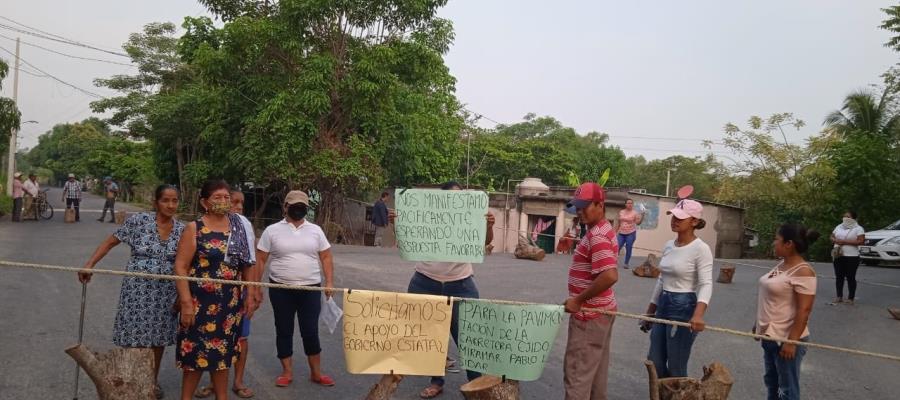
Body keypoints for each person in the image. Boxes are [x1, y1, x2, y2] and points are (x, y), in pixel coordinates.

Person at [388, 181, 495, 399]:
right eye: (451, 197)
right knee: (430, 337)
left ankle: (477, 385)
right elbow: (407, 240)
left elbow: (485, 242)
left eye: (459, 196)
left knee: (469, 338)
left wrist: (490, 225)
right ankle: (436, 381)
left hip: (461, 283)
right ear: (442, 200)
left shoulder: (470, 217)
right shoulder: (428, 216)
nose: (456, 200)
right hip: (424, 281)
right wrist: (397, 223)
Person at [78, 184, 185, 399]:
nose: (170, 205)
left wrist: (184, 296)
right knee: (134, 336)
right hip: (137, 289)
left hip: (166, 291)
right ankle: (132, 382)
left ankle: (150, 384)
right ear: (155, 202)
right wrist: (90, 264)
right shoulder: (139, 221)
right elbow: (110, 242)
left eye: (174, 200)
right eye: (165, 200)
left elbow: (187, 263)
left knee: (158, 338)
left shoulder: (183, 229)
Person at [174, 179, 257, 400]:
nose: (224, 201)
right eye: (217, 197)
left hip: (229, 305)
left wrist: (249, 295)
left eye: (226, 197)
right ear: (204, 202)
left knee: (222, 356)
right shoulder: (195, 228)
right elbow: (180, 266)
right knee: (194, 357)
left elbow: (247, 264)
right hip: (199, 304)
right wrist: (185, 302)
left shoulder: (238, 227)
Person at [256, 190, 336, 389]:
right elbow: (260, 260)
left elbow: (326, 256)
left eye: (303, 207)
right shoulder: (272, 231)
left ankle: (316, 373)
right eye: (294, 206)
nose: (299, 209)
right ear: (285, 207)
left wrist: (329, 282)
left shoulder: (316, 230)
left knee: (310, 331)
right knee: (284, 329)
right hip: (280, 289)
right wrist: (255, 287)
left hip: (310, 289)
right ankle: (287, 371)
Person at [640, 199, 713, 378]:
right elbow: (661, 279)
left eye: (681, 217)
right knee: (654, 360)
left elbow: (706, 283)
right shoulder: (669, 245)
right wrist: (650, 311)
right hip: (663, 304)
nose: (675, 220)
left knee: (676, 364)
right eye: (674, 216)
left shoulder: (701, 249)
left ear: (694, 221)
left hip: (684, 306)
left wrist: (698, 315)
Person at [562, 182, 619, 400]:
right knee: (595, 374)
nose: (580, 210)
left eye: (585, 206)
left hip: (589, 315)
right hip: (603, 311)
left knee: (577, 376)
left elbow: (610, 275)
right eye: (577, 206)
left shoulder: (596, 236)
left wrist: (578, 300)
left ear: (600, 204)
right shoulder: (604, 229)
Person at [755, 224, 819, 400]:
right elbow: (772, 299)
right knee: (772, 383)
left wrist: (792, 342)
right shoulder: (782, 264)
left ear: (789, 243)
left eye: (777, 239)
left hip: (786, 340)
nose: (773, 243)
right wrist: (758, 324)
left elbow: (804, 310)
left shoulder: (804, 271)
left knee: (787, 389)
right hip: (770, 336)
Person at [829, 210, 865, 305]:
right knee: (839, 276)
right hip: (838, 255)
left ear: (854, 218)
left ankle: (851, 298)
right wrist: (835, 240)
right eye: (844, 216)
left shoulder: (858, 228)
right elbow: (831, 236)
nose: (846, 218)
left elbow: (861, 241)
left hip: (852, 256)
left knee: (850, 277)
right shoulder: (839, 226)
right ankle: (839, 296)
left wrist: (845, 242)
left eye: (848, 217)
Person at [614, 199, 645, 269]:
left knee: (628, 248)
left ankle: (626, 263)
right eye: (628, 203)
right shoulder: (621, 212)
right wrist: (615, 232)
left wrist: (643, 216)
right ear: (625, 204)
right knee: (617, 247)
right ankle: (614, 262)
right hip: (621, 233)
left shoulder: (635, 213)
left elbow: (638, 223)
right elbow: (618, 222)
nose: (630, 204)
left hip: (631, 233)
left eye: (631, 203)